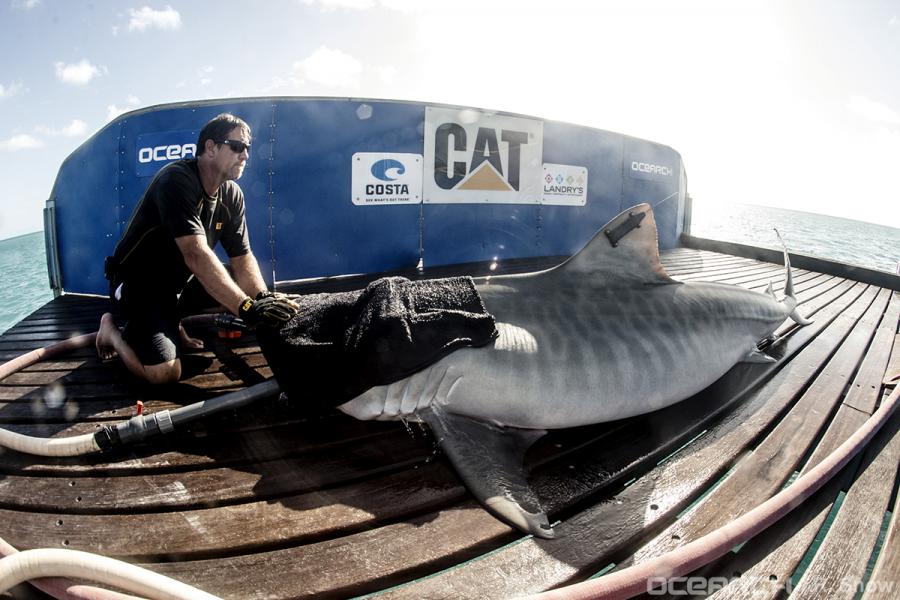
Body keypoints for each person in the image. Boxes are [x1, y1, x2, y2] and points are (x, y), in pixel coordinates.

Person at [96, 113, 298, 384]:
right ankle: (112, 332)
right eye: (237, 146)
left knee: (239, 287)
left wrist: (262, 299)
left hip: (178, 285)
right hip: (140, 287)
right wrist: (247, 308)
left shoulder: (232, 194)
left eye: (248, 148)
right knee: (164, 374)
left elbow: (242, 257)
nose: (246, 155)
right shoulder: (176, 180)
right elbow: (196, 254)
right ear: (210, 147)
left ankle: (172, 322)